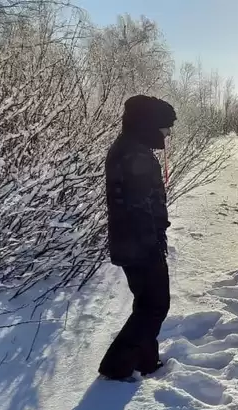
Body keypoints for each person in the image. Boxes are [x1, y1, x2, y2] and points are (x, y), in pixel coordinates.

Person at [98, 95, 176, 382]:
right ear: (149, 125)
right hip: (139, 245)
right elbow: (140, 208)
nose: (167, 134)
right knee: (156, 306)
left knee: (146, 303)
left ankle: (146, 360)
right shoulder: (136, 156)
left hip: (133, 243)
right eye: (164, 127)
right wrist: (153, 245)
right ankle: (116, 366)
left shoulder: (131, 149)